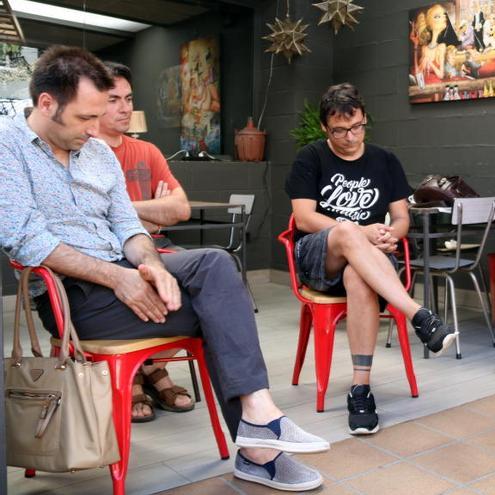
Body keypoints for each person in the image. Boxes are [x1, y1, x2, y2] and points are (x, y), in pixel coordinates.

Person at [0, 45, 328, 492]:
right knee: (220, 312)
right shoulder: (8, 147)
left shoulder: (96, 154)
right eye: (84, 119)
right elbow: (27, 239)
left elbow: (127, 224)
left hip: (125, 274)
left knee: (215, 264)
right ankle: (260, 449)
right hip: (71, 297)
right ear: (46, 104)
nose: (95, 129)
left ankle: (259, 421)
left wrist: (150, 265)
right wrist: (119, 277)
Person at [285, 83, 458, 436]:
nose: (350, 137)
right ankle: (418, 315)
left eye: (357, 127)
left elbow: (401, 218)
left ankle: (360, 390)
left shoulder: (385, 160)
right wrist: (363, 232)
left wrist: (389, 236)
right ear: (324, 128)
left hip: (370, 263)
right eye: (340, 130)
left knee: (358, 277)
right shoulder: (311, 156)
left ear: (365, 120)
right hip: (320, 258)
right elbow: (303, 218)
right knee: (348, 232)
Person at [97, 61, 194, 424]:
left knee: (195, 274)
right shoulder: (86, 152)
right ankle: (147, 373)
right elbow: (97, 220)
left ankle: (152, 367)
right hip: (110, 251)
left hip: (157, 244)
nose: (124, 108)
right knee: (134, 276)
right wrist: (154, 209)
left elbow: (180, 208)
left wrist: (125, 208)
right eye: (113, 100)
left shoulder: (148, 151)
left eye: (128, 99)